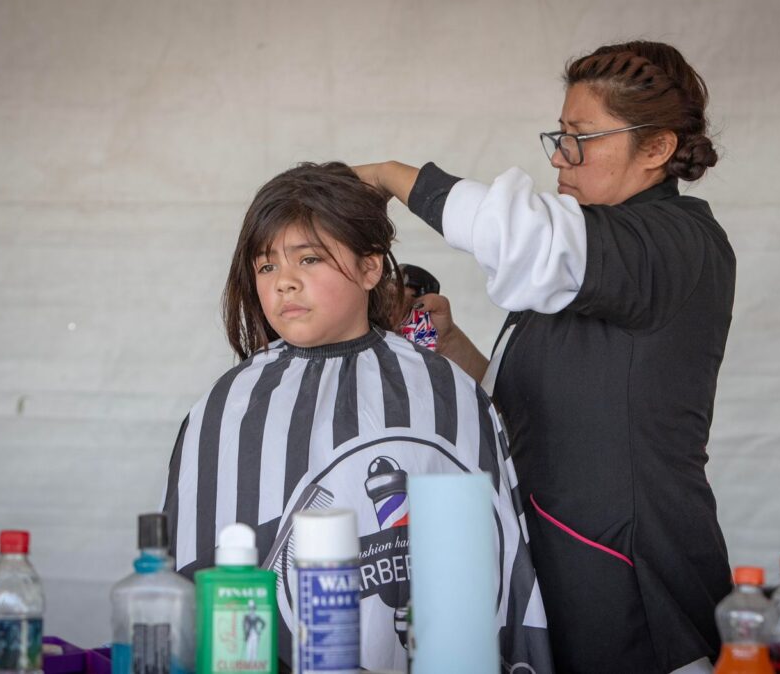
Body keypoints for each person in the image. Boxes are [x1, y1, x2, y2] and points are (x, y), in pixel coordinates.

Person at [354, 41, 735, 674]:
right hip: (559, 563)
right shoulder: (590, 260)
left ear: (658, 148)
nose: (560, 156)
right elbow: (531, 410)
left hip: (634, 576)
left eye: (581, 137)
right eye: (558, 135)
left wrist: (390, 175)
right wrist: (454, 348)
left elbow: (521, 233)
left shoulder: (676, 242)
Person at [161, 162, 553, 672]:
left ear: (371, 269)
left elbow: (487, 565)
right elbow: (195, 574)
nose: (285, 283)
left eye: (309, 259)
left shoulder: (442, 388)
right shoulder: (225, 406)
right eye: (266, 266)